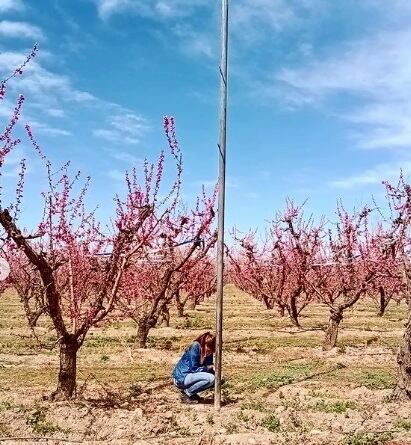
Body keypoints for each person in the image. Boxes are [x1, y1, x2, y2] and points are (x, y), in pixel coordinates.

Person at [172, 331, 216, 404]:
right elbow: (194, 369)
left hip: (192, 376)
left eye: (212, 350)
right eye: (209, 348)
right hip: (182, 377)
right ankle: (187, 393)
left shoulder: (208, 352)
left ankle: (192, 393)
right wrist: (209, 367)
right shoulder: (195, 347)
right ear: (205, 344)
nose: (210, 352)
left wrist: (216, 374)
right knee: (211, 378)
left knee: (214, 379)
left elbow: (208, 367)